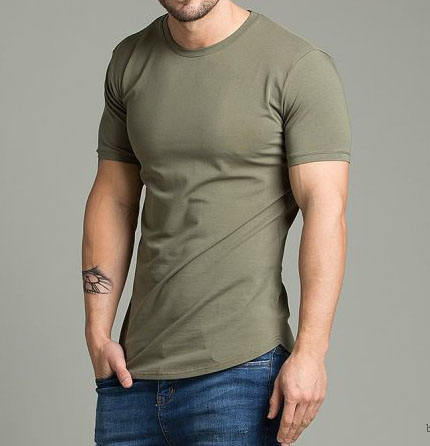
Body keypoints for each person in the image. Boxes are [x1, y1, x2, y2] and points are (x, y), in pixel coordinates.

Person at [82, 0, 352, 444]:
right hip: (133, 377)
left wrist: (310, 352)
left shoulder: (297, 67)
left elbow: (326, 210)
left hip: (240, 376)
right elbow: (113, 199)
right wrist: (96, 332)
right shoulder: (129, 60)